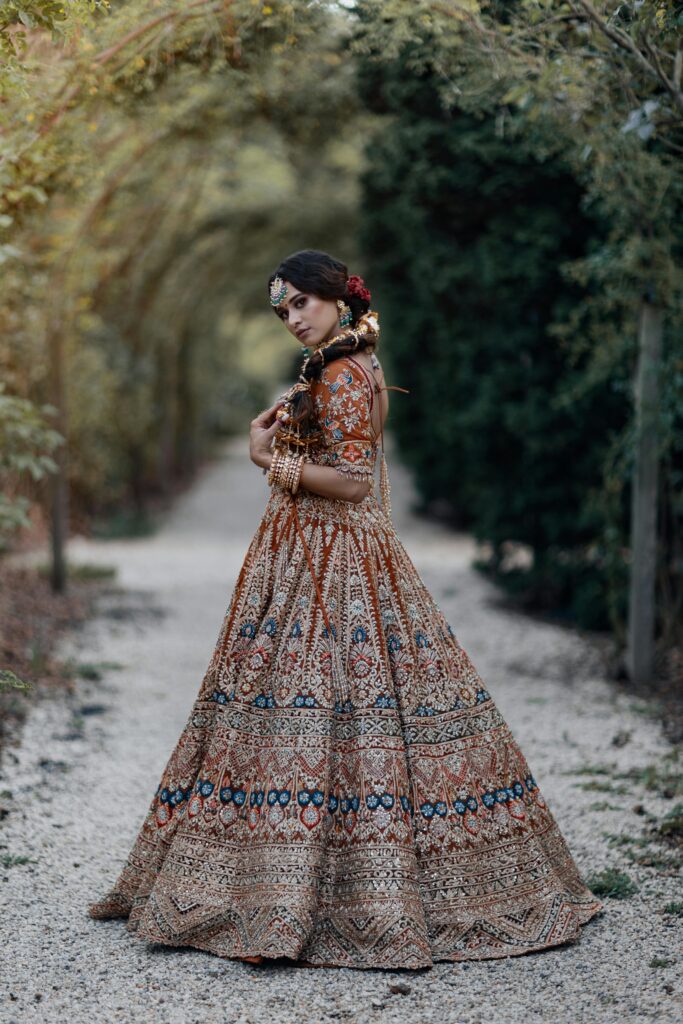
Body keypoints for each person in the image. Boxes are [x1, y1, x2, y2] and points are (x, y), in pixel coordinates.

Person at [88, 248, 603, 970]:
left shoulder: (340, 372)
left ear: (337, 298)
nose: (292, 318)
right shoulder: (357, 364)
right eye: (283, 310)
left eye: (301, 302)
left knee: (317, 704)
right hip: (326, 551)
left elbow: (355, 483)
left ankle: (310, 894)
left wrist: (267, 460)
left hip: (331, 559)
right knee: (337, 708)